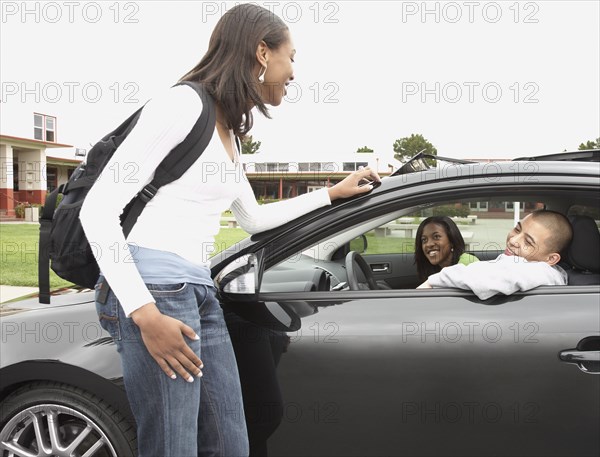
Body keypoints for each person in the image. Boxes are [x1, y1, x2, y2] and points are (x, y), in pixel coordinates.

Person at [79, 4, 380, 456]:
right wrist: (145, 314)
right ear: (262, 52)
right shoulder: (183, 105)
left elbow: (252, 219)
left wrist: (332, 194)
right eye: (291, 57)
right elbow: (97, 210)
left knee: (230, 443)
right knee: (172, 448)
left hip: (199, 292)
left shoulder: (228, 130)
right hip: (155, 292)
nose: (293, 72)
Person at [417, 210, 573, 299]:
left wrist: (432, 282)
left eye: (528, 242)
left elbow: (497, 274)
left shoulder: (544, 273)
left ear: (551, 259)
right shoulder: (524, 263)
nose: (513, 240)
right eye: (517, 229)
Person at [414, 216, 479, 283]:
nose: (429, 244)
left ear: (452, 241)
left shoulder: (468, 262)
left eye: (436, 237)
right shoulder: (431, 269)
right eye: (424, 240)